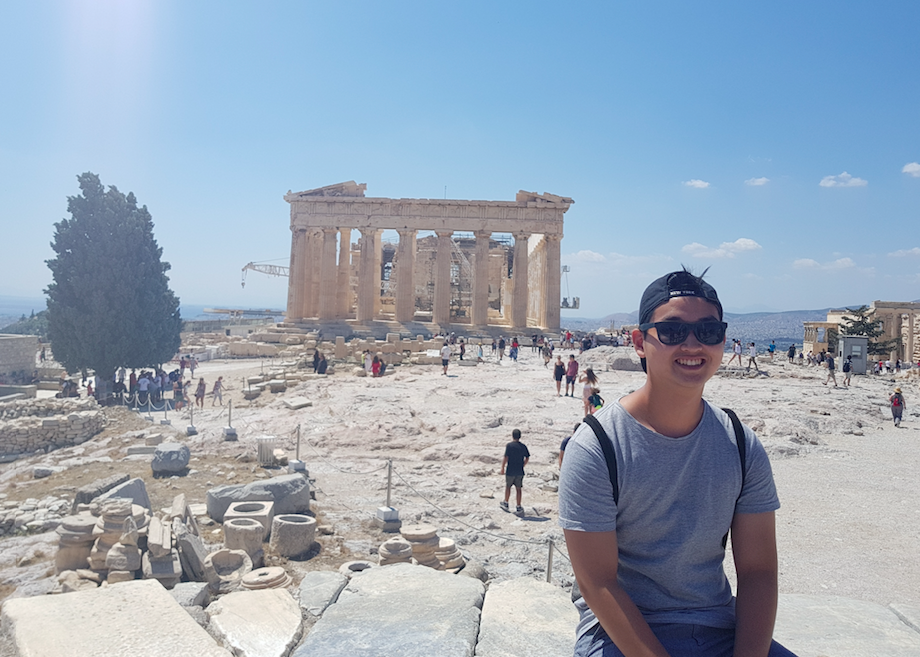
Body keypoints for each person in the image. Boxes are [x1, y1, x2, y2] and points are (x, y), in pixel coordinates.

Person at [559, 268, 794, 657]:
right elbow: (598, 583)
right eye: (672, 331)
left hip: (717, 627)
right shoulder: (597, 446)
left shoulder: (740, 443)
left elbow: (759, 572)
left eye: (708, 331)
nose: (692, 344)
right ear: (639, 342)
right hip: (619, 636)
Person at [500, 428, 530, 517]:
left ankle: (506, 502)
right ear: (520, 436)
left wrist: (502, 467)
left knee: (508, 487)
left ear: (512, 436)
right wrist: (523, 465)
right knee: (518, 489)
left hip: (510, 470)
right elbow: (527, 457)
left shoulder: (509, 446)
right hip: (519, 470)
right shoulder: (523, 446)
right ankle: (518, 506)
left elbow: (506, 457)